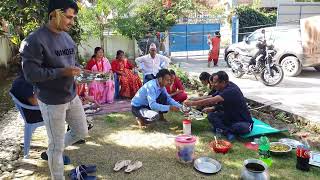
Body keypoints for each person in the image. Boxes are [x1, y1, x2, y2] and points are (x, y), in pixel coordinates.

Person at [20, 1, 89, 179]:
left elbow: (71, 63)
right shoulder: (34, 40)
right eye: (68, 17)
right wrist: (62, 72)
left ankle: (53, 149)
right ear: (54, 14)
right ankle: (55, 160)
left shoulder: (67, 37)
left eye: (73, 18)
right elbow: (31, 74)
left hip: (71, 95)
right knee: (57, 148)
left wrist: (79, 72)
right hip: (51, 101)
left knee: (82, 131)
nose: (72, 22)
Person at [184, 71, 253, 141]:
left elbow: (211, 100)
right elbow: (210, 96)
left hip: (243, 121)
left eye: (215, 82)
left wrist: (191, 103)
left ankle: (224, 130)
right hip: (229, 116)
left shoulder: (231, 90)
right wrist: (194, 99)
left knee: (238, 127)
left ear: (223, 82)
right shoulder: (224, 86)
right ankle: (225, 131)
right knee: (211, 116)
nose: (213, 85)